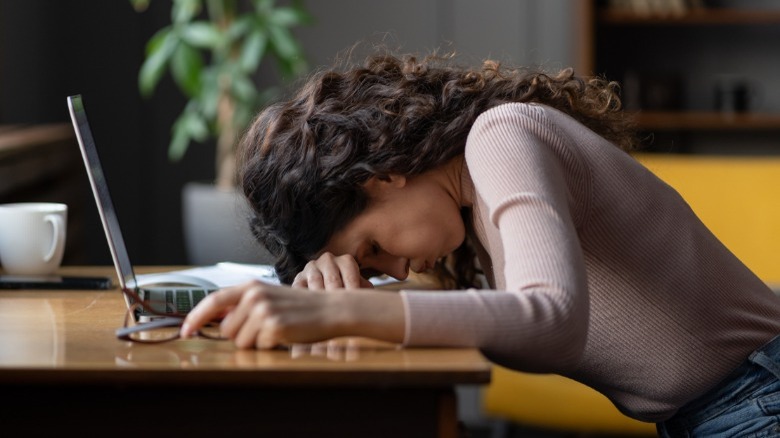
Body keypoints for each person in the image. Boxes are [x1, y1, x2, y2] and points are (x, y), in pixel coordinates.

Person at [181, 49, 780, 436]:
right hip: (729, 410)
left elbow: (550, 321)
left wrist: (342, 309)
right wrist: (343, 294)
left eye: (370, 249)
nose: (392, 269)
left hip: (759, 400)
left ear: (384, 174)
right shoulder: (477, 204)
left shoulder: (503, 134)